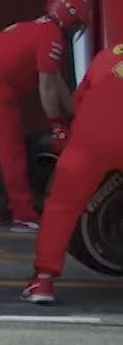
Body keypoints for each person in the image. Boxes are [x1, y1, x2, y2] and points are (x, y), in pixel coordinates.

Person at [0, 0, 89, 232]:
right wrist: (58, 123)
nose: (76, 31)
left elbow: (56, 82)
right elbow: (47, 86)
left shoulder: (41, 29)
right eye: (77, 24)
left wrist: (77, 114)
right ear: (68, 18)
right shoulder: (52, 36)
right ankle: (23, 213)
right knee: (12, 152)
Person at [25, 43, 123, 304]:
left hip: (89, 142)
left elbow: (79, 100)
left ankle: (42, 281)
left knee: (60, 207)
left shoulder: (108, 54)